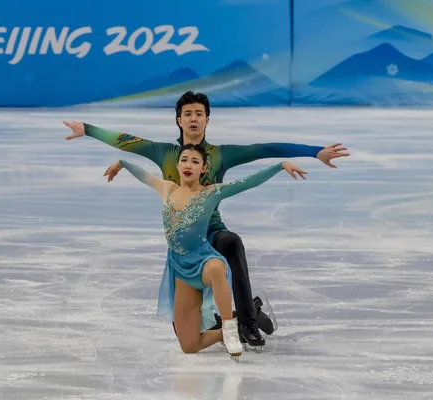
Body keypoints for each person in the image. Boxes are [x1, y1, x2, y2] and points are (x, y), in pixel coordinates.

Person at [63, 91, 349, 347]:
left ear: (207, 120)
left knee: (231, 242)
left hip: (211, 233)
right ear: (179, 120)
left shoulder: (221, 155)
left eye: (199, 113)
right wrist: (86, 129)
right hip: (183, 245)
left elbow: (265, 149)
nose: (193, 118)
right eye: (187, 114)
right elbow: (124, 141)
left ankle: (247, 321)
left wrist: (314, 152)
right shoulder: (164, 152)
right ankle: (245, 313)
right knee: (188, 337)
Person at [112, 142, 304, 357]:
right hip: (180, 269)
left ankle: (231, 330)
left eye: (195, 161)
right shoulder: (167, 189)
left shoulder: (211, 193)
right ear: (177, 165)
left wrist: (279, 166)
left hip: (203, 260)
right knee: (189, 346)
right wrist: (123, 163)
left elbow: (247, 182)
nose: (188, 165)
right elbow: (143, 175)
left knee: (216, 267)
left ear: (203, 168)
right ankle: (235, 325)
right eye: (184, 160)